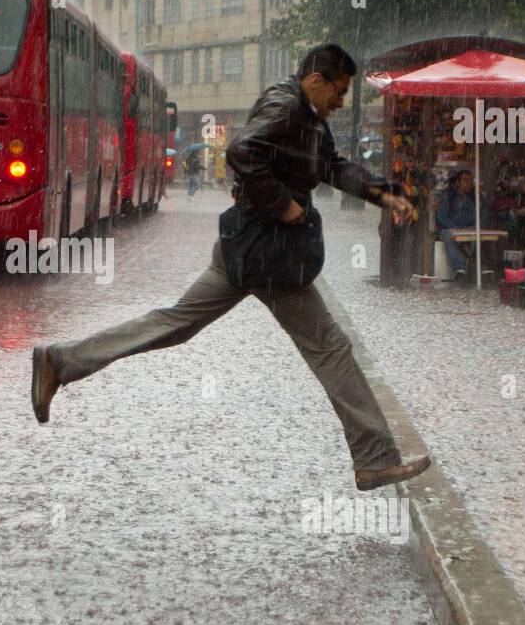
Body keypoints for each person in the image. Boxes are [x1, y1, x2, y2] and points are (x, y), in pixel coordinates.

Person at [31, 44, 431, 492]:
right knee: (330, 348)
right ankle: (375, 459)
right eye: (338, 91)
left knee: (175, 324)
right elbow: (242, 150)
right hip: (268, 252)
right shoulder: (288, 110)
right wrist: (283, 206)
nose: (341, 101)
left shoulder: (305, 114)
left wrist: (383, 193)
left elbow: (332, 166)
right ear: (316, 82)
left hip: (245, 246)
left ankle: (61, 361)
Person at [435, 169, 488, 280]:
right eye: (465, 180)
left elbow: (483, 216)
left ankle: (480, 268)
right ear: (458, 182)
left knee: (483, 236)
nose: (469, 183)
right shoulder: (448, 196)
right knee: (446, 234)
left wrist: (475, 227)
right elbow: (441, 217)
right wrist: (456, 228)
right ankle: (460, 269)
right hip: (452, 228)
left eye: (470, 181)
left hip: (472, 228)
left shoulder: (476, 197)